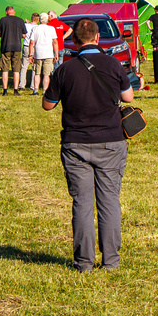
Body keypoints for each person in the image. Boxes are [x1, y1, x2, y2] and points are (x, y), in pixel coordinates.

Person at [42, 16, 133, 272]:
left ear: (74, 40)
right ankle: (111, 262)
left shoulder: (65, 69)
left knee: (82, 202)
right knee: (109, 201)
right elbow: (128, 96)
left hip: (75, 143)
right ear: (97, 38)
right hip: (111, 142)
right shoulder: (113, 64)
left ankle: (83, 262)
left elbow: (48, 104)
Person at [0, 7, 28, 95]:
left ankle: (5, 90)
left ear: (6, 12)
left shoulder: (2, 20)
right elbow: (24, 35)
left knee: (5, 70)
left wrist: (5, 34)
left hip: (5, 47)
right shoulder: (20, 20)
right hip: (17, 47)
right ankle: (15, 90)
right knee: (16, 70)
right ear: (14, 11)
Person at [29, 11, 60, 95]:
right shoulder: (51, 28)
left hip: (38, 53)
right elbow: (55, 41)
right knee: (46, 74)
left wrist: (30, 55)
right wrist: (56, 54)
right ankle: (45, 90)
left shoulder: (35, 28)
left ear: (39, 19)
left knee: (37, 73)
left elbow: (32, 42)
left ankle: (35, 90)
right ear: (47, 20)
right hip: (48, 53)